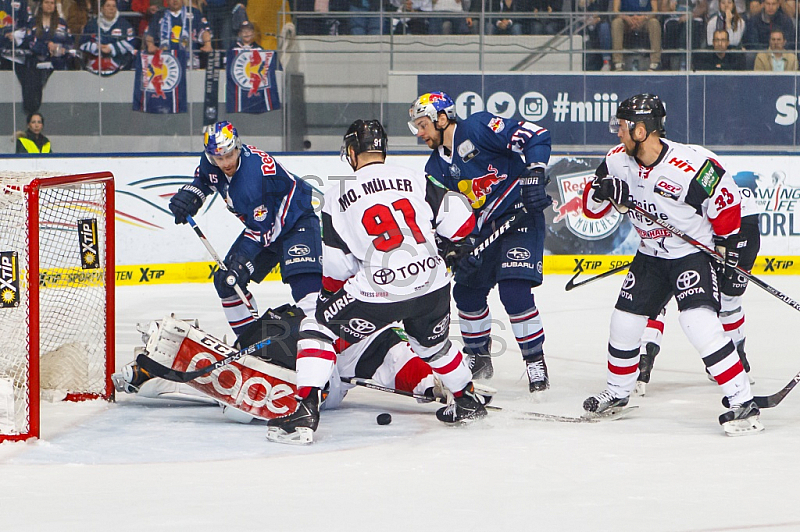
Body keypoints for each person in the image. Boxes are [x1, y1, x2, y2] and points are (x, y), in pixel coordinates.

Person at [266, 119, 486, 444]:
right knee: (433, 346)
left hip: (379, 289)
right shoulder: (416, 178)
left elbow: (337, 265)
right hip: (432, 283)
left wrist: (330, 299)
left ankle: (304, 410)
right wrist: (455, 244)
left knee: (317, 326)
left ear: (352, 151)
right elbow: (460, 220)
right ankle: (467, 401)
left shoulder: (336, 193)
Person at [581, 93, 763, 436]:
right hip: (650, 254)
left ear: (642, 130)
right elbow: (591, 209)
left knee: (698, 321)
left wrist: (723, 251)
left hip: (691, 255)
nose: (617, 132)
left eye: (623, 126)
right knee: (624, 322)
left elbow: (727, 212)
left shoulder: (692, 167)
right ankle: (618, 393)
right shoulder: (616, 161)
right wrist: (605, 191)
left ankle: (742, 400)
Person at [112, 305, 461, 437]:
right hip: (291, 344)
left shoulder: (380, 334)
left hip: (323, 386)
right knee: (252, 377)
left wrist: (434, 386)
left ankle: (167, 379)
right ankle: (167, 372)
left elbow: (403, 363)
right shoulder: (337, 295)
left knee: (243, 410)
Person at [408, 91, 553, 393]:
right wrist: (454, 246)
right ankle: (478, 357)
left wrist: (535, 173)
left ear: (442, 118)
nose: (419, 133)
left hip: (519, 217)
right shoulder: (434, 169)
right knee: (466, 293)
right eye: (417, 127)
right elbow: (442, 214)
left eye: (423, 125)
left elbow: (535, 135)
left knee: (515, 292)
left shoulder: (477, 127)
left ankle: (535, 362)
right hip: (482, 231)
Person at [167, 121, 322, 337]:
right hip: (264, 226)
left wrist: (243, 261)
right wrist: (191, 195)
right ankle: (251, 342)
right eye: (219, 158)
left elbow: (262, 231)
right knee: (227, 282)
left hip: (297, 222)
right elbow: (204, 179)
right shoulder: (211, 161)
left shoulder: (253, 179)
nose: (225, 162)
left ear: (237, 146)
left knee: (306, 288)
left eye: (229, 155)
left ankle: (322, 346)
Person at [636, 157, 760, 395]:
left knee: (729, 299)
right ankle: (642, 363)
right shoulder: (670, 175)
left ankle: (735, 360)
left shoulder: (687, 173)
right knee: (656, 293)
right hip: (702, 227)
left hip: (741, 224)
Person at [145, 0, 212, 63]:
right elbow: (150, 33)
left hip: (190, 60)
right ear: (167, 1)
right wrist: (150, 45)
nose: (175, 0)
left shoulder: (194, 12)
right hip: (165, 61)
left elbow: (204, 31)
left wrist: (207, 45)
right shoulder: (159, 14)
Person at [79, 0, 136, 75]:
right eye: (108, 6)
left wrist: (111, 48)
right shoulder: (91, 24)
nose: (111, 8)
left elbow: (131, 44)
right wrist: (97, 47)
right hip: (93, 66)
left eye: (114, 6)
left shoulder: (124, 25)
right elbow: (82, 43)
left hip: (119, 66)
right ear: (102, 8)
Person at [611, 0, 662, 71]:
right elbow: (615, 10)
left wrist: (644, 18)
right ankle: (618, 62)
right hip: (626, 20)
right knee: (616, 23)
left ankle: (655, 62)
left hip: (645, 20)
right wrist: (626, 18)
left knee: (654, 23)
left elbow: (655, 10)